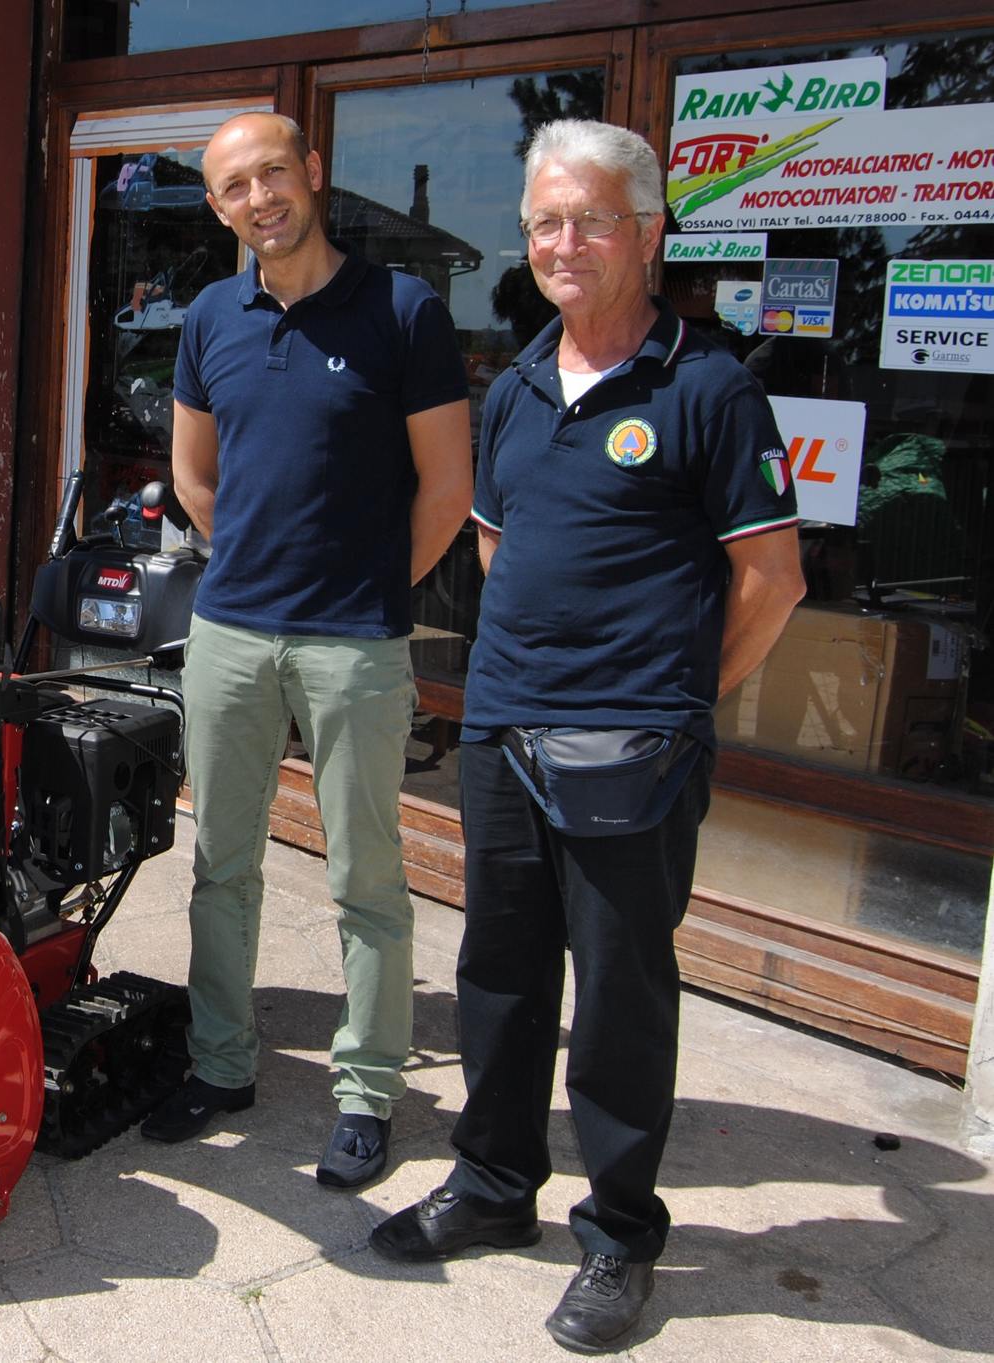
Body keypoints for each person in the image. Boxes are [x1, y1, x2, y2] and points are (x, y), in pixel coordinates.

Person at [371, 119, 805, 1351]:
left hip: (639, 754)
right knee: (499, 980)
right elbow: (499, 550)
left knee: (620, 996)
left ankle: (618, 1236)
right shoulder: (511, 389)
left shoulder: (709, 387)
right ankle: (496, 1188)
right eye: (544, 222)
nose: (564, 243)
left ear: (648, 231)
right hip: (504, 732)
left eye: (591, 219)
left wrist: (679, 701)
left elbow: (772, 582)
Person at [138, 112, 472, 1190]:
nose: (259, 198)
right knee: (220, 863)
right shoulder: (211, 316)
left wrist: (373, 594)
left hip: (355, 645)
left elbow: (449, 491)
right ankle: (221, 1062)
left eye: (273, 174)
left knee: (365, 876)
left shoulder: (402, 311)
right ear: (218, 206)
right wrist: (247, 561)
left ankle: (370, 1088)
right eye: (236, 186)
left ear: (312, 173)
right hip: (229, 635)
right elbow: (195, 474)